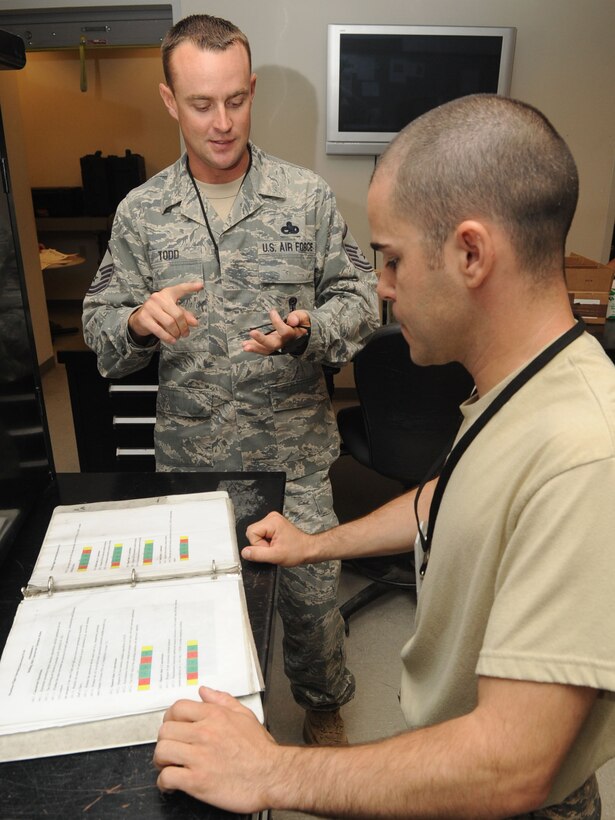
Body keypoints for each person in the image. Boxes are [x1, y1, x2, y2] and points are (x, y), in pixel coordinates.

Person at [152, 94, 615, 818]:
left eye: (391, 260)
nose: (381, 289)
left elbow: (510, 766)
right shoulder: (517, 389)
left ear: (469, 253)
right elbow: (447, 498)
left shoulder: (585, 450)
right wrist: (315, 546)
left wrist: (272, 771)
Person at [81, 14, 379, 745]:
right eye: (201, 104)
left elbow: (361, 299)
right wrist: (134, 323)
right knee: (204, 610)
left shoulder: (304, 199)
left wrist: (311, 330)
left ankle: (321, 706)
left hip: (295, 454)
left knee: (311, 608)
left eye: (236, 101)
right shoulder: (142, 213)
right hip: (192, 457)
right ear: (168, 100)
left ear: (250, 90)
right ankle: (222, 730)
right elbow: (98, 329)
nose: (222, 123)